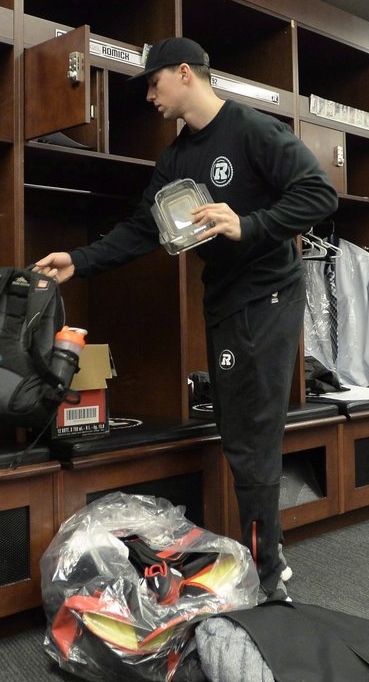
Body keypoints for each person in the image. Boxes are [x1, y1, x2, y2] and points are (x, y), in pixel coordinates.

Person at [34, 37, 338, 601]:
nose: (150, 95)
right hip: (223, 299)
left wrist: (248, 224)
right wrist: (78, 259)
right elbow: (141, 228)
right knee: (235, 423)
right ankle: (265, 552)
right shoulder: (176, 159)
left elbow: (319, 194)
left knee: (251, 429)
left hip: (268, 294)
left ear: (184, 73)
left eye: (153, 83)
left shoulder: (252, 130)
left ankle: (268, 574)